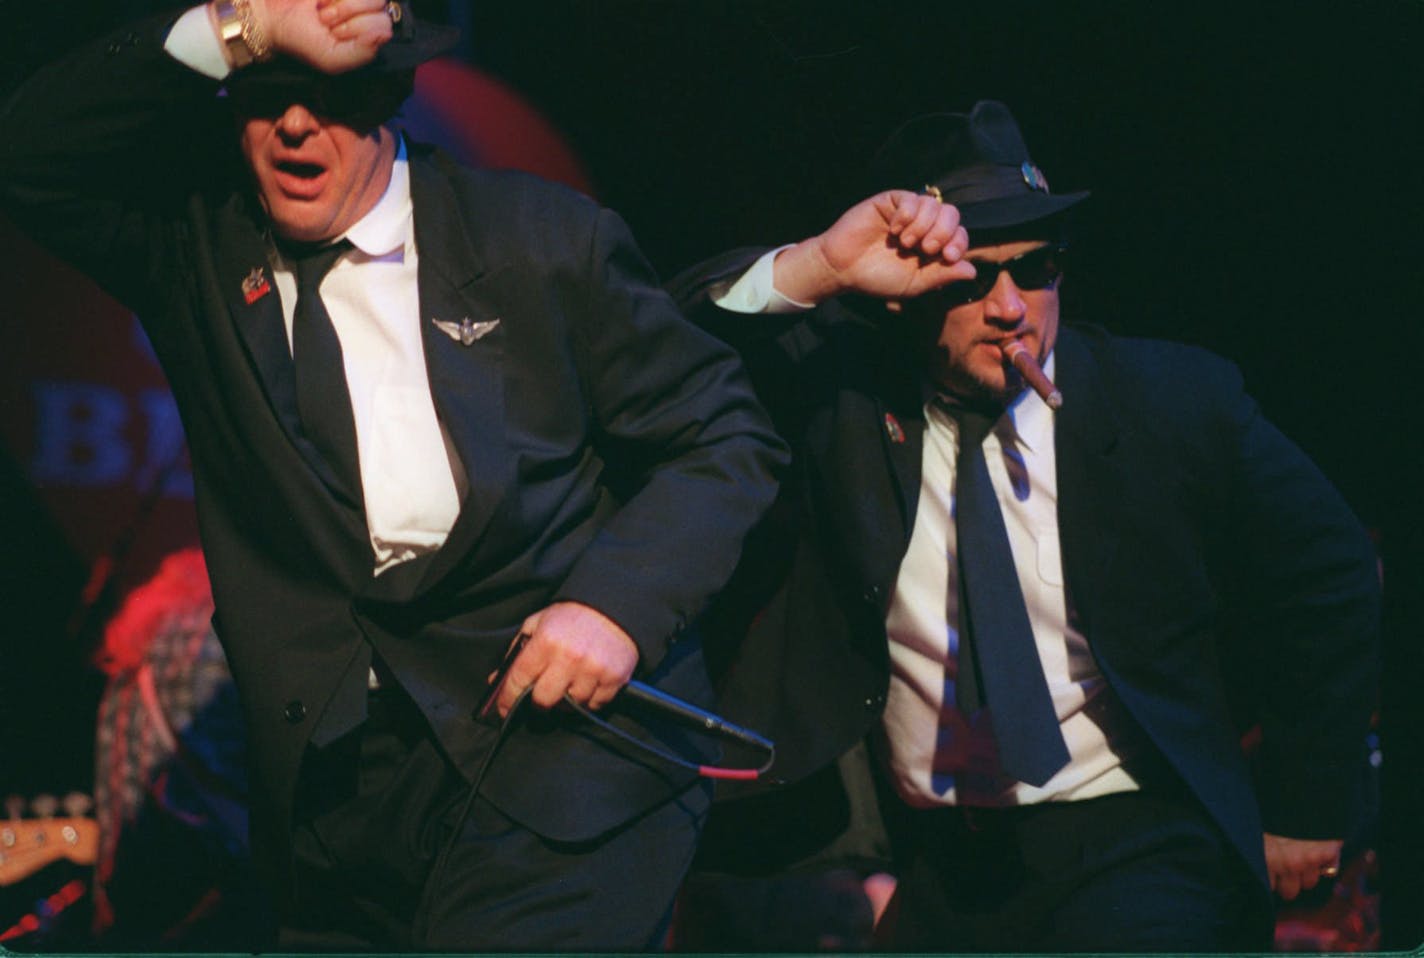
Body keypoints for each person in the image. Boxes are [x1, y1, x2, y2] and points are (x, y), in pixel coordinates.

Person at [0, 0, 786, 950]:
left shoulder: (537, 241)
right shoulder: (195, 251)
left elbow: (723, 431)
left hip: (561, 773)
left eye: (326, 94)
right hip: (338, 817)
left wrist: (614, 608)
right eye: (267, 92)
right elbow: (29, 152)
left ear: (391, 92)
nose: (293, 123)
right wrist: (245, 23)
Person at [670, 100, 1379, 951]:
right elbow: (670, 351)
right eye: (972, 277)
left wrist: (1307, 803)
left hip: (1139, 833)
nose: (1011, 306)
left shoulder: (1167, 401)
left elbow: (1332, 569)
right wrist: (821, 265)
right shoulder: (846, 405)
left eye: (1036, 267)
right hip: (940, 859)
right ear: (901, 293)